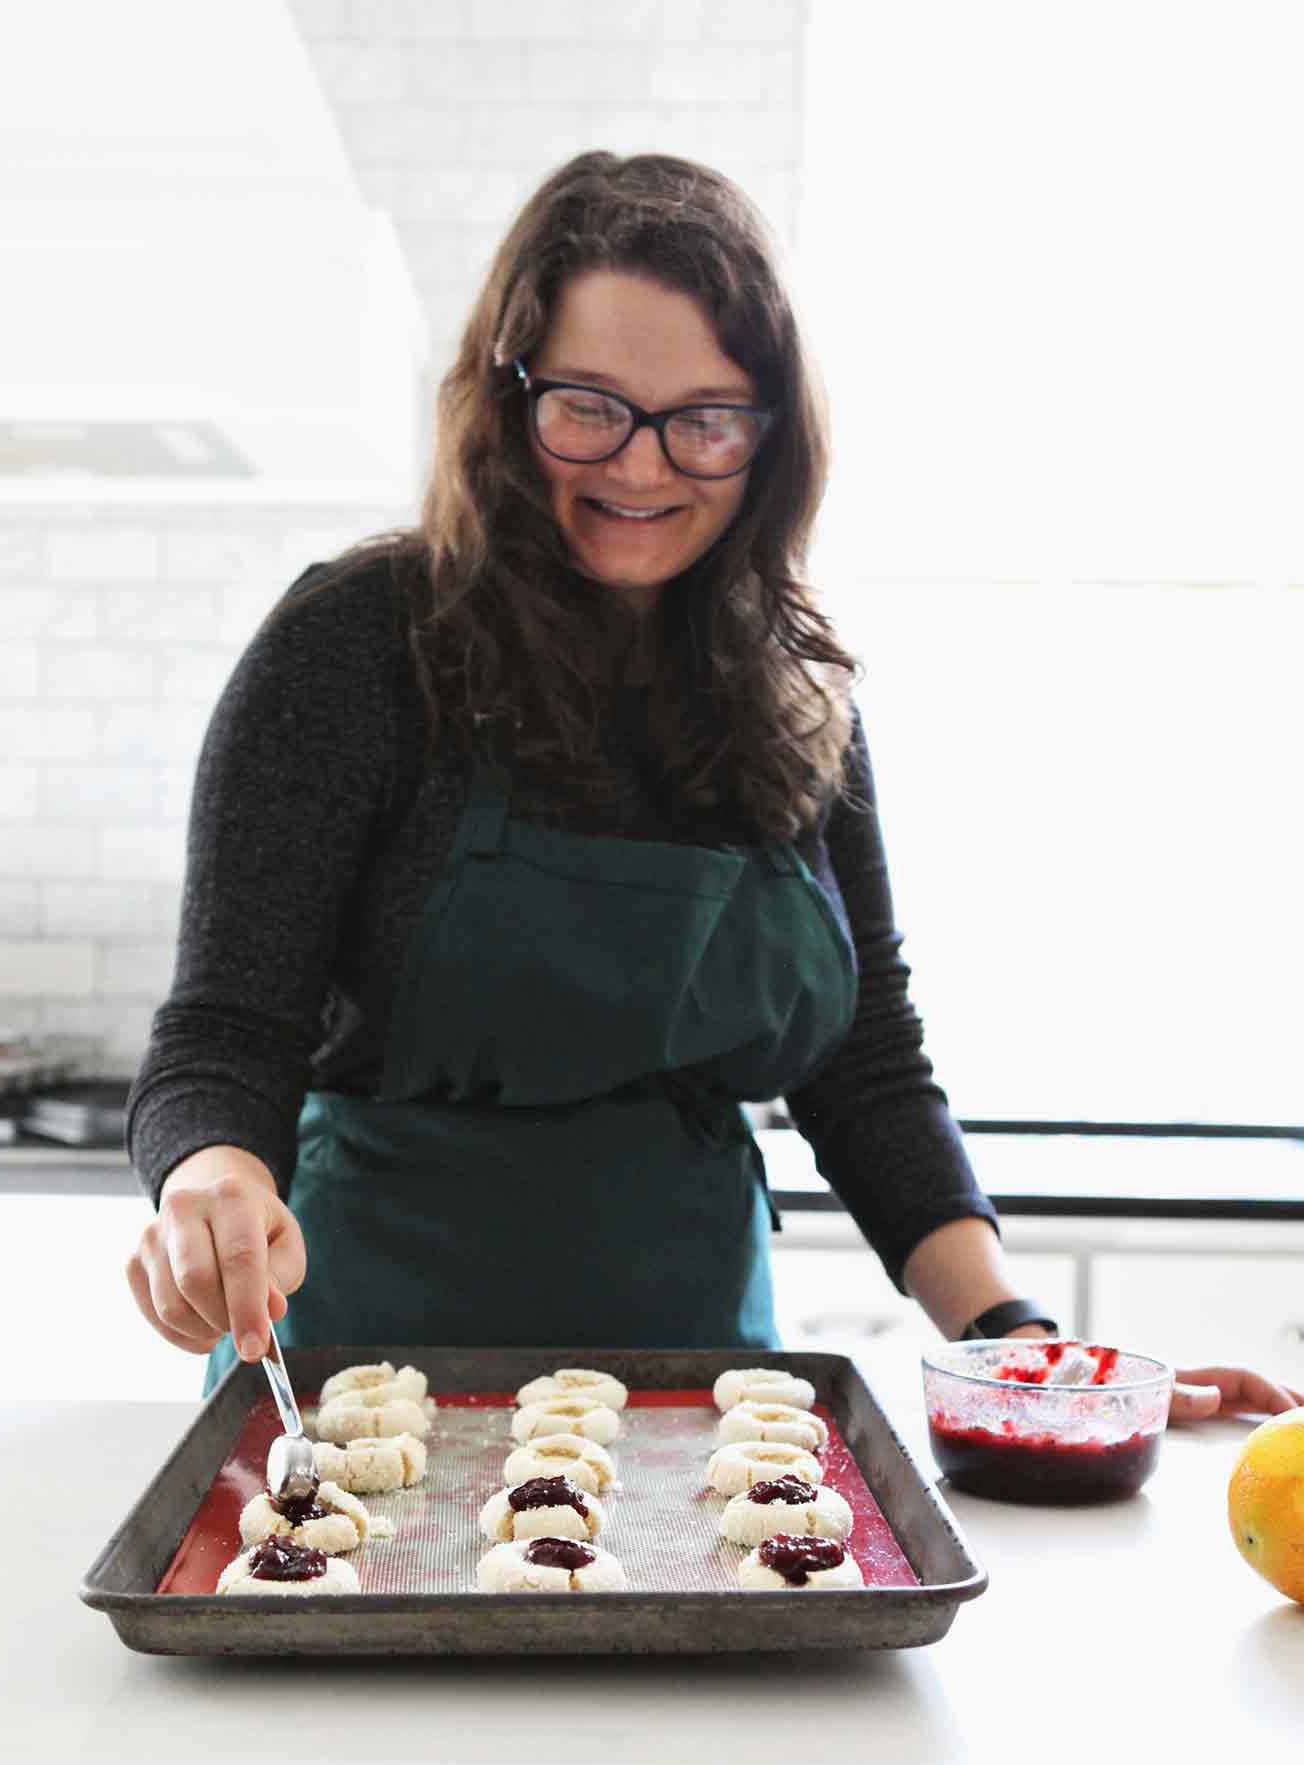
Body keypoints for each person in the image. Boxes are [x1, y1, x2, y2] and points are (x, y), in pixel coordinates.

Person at [124, 150, 1299, 1429]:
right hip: (365, 1381)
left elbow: (865, 1067)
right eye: (589, 405)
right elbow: (224, 1034)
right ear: (506, 396)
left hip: (702, 1402)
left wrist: (1027, 1351)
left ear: (771, 433)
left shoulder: (795, 688)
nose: (641, 466)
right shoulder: (357, 641)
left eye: (705, 417)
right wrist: (211, 1173)